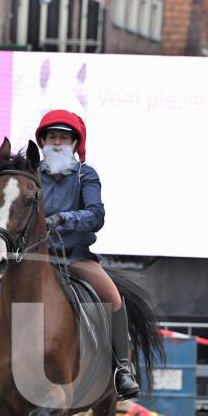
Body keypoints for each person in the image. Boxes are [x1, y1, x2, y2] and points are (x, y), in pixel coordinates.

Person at [34, 109, 139, 400]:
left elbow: (96, 215)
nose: (57, 143)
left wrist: (64, 218)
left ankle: (122, 369)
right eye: (52, 137)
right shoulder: (31, 174)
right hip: (35, 258)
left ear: (74, 144)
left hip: (74, 256)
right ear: (42, 142)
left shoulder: (85, 174)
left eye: (63, 138)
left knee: (113, 297)